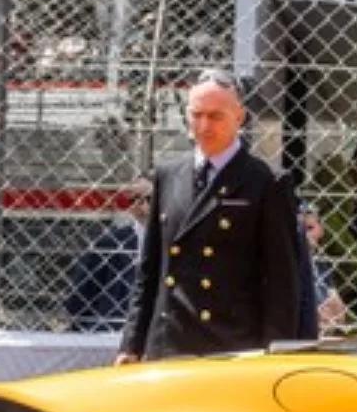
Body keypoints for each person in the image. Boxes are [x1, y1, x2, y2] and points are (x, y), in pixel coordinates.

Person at [117, 71, 301, 363]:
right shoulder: (168, 176)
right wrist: (131, 344)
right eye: (196, 115)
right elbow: (150, 270)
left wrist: (274, 354)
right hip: (168, 342)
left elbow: (282, 282)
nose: (204, 126)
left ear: (239, 117)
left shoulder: (266, 182)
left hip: (230, 345)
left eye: (216, 116)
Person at [67, 179, 150, 332]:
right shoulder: (111, 242)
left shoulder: (180, 239)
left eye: (150, 199)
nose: (142, 206)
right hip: (115, 327)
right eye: (134, 200)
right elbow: (81, 293)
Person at [293, 202, 346, 338]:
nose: (304, 235)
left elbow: (339, 312)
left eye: (309, 228)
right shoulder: (291, 265)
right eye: (299, 229)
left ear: (321, 230)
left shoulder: (321, 264)